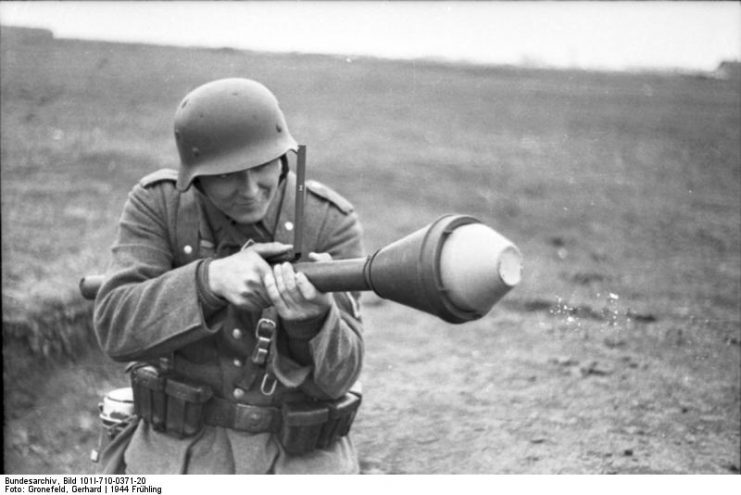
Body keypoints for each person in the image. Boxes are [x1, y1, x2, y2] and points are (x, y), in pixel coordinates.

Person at [93, 78, 365, 474]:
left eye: (262, 167)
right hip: (177, 456)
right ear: (196, 178)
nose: (251, 190)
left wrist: (314, 322)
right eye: (227, 176)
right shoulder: (159, 205)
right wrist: (208, 282)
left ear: (284, 159)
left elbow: (339, 380)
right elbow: (115, 328)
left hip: (297, 462)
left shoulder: (329, 221)